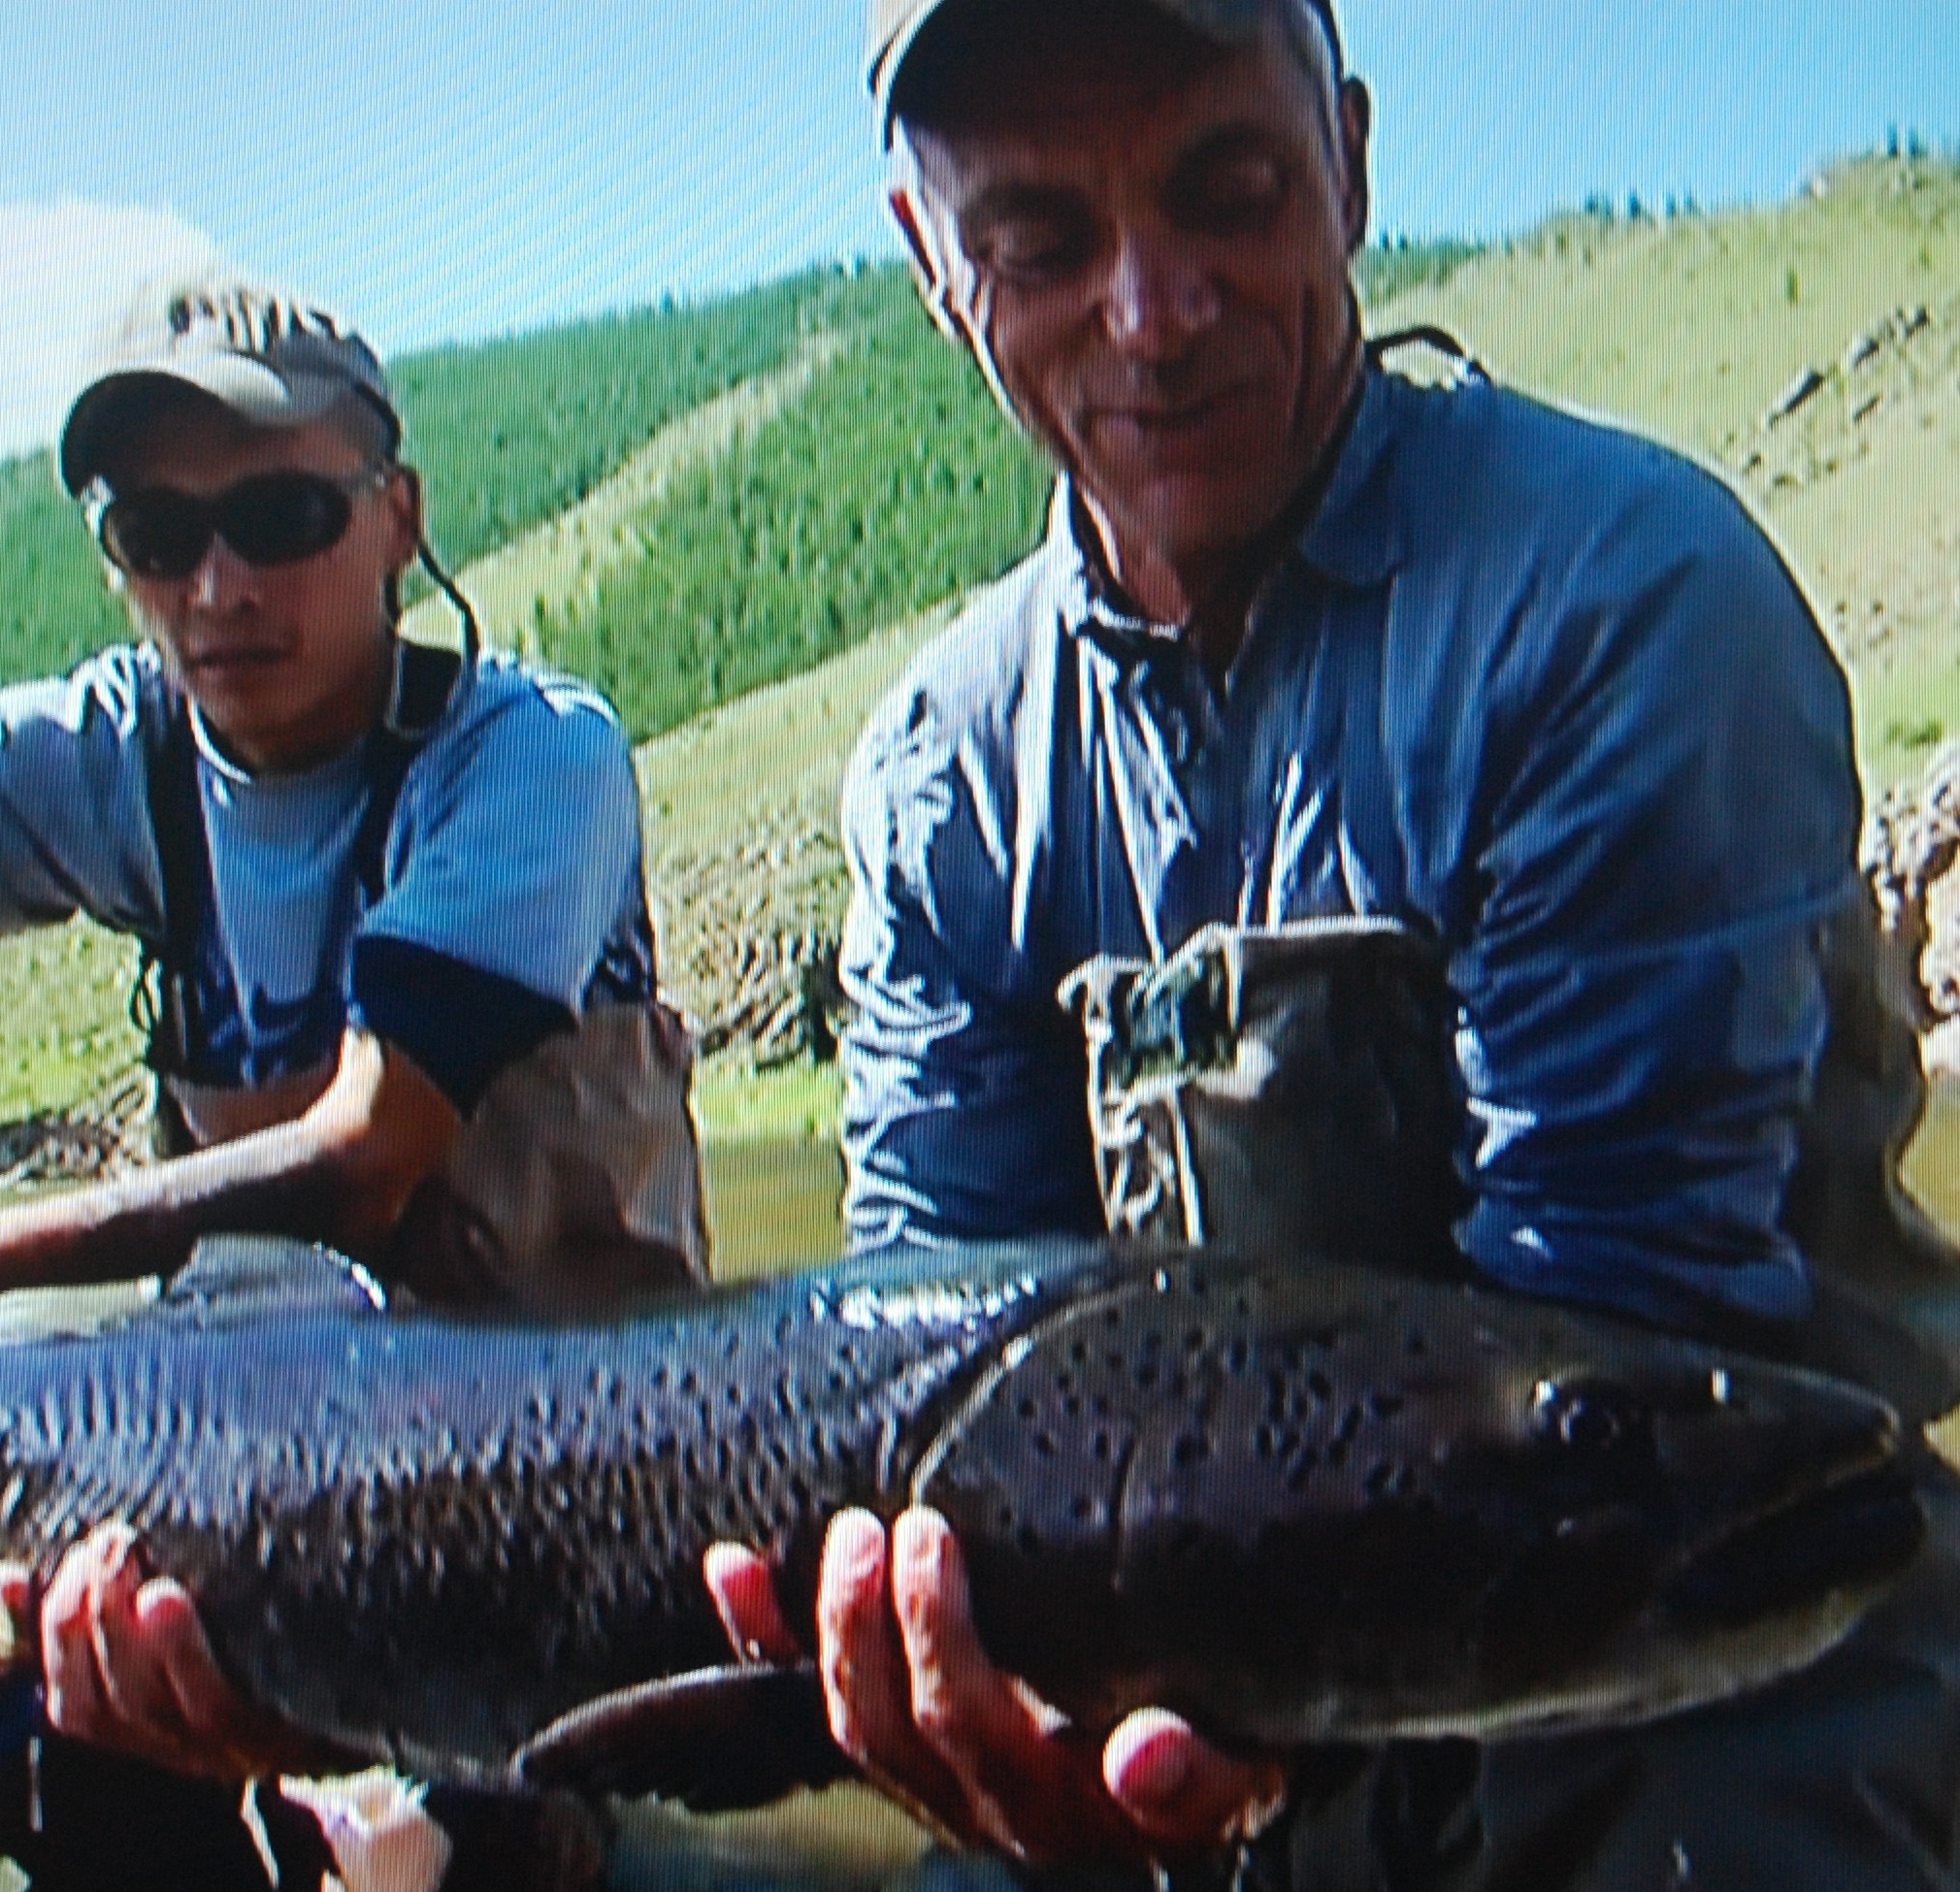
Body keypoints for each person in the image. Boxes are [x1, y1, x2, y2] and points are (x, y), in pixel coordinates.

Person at [706, 0, 1960, 1886]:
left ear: (1351, 162)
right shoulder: (938, 784)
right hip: (1198, 1647)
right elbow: (929, 1366)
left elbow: (1602, 1378)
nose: (1149, 311)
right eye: (1041, 242)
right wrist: (997, 1683)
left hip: (1703, 1650)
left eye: (1229, 191)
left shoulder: (1621, 607)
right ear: (929, 265)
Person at [0, 267, 705, 1889]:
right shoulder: (96, 755)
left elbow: (365, 1154)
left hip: (569, 1514)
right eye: (156, 537)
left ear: (399, 517)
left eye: (286, 515)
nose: (219, 582)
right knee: (82, 1772)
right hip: (218, 1493)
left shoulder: (533, 756)